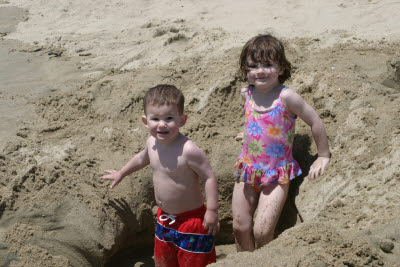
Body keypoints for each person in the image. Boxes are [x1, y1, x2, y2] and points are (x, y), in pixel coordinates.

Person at [101, 84, 219, 267]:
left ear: (182, 120)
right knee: (164, 261)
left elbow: (209, 177)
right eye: (155, 118)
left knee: (195, 262)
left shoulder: (189, 150)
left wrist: (212, 211)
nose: (162, 124)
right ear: (145, 121)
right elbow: (141, 158)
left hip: (191, 220)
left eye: (169, 118)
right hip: (164, 218)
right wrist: (121, 172)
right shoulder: (151, 143)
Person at [232, 34, 331, 252]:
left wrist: (323, 155)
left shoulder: (287, 97)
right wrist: (249, 134)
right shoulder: (247, 93)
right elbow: (256, 119)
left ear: (282, 68)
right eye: (253, 66)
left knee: (262, 231)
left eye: (268, 65)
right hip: (247, 169)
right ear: (244, 71)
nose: (260, 70)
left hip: (276, 174)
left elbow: (314, 121)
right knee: (240, 228)